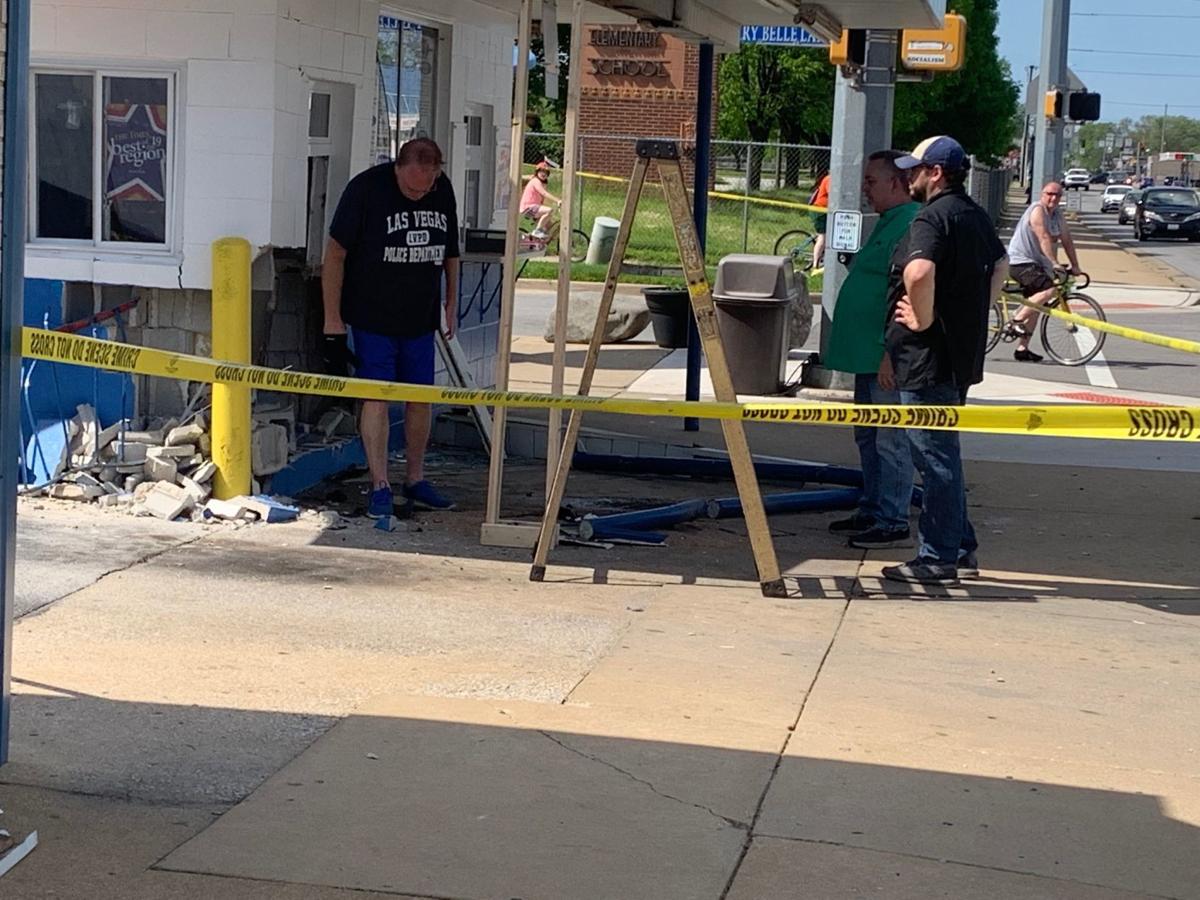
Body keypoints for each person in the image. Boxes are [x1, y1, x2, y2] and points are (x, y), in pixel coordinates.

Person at [884, 136, 1008, 586]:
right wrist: (973, 313)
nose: (907, 176)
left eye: (914, 169)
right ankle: (959, 545)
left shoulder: (932, 218)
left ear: (935, 173)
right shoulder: (973, 215)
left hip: (927, 361)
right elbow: (1001, 266)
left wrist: (921, 316)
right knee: (943, 455)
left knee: (934, 460)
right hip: (958, 358)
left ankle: (938, 557)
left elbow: (918, 271)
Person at [321, 137, 460, 518]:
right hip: (372, 315)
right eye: (411, 187)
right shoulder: (365, 189)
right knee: (377, 396)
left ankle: (415, 477)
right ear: (397, 167)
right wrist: (331, 318)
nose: (418, 195)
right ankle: (380, 482)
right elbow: (334, 254)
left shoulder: (442, 189)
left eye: (426, 187)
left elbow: (451, 251)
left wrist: (451, 302)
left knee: (420, 398)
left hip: (420, 315)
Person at [824, 150, 920, 549]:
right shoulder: (888, 222)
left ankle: (892, 517)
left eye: (871, 181)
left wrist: (888, 351)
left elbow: (906, 294)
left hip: (884, 357)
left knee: (890, 439)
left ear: (896, 184)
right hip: (865, 355)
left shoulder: (911, 224)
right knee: (868, 435)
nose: (865, 189)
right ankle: (873, 505)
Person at [1005, 181, 1081, 361]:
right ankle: (1016, 319)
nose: (1053, 198)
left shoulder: (1057, 215)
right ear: (1042, 194)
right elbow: (1044, 238)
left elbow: (1067, 239)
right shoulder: (1037, 211)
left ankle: (1022, 349)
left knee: (1037, 306)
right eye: (1049, 194)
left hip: (1037, 264)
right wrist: (1054, 263)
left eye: (1057, 195)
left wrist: (1075, 265)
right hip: (1020, 262)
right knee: (1048, 290)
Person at [520, 160, 561, 239]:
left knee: (549, 225)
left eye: (546, 172)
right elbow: (544, 193)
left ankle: (536, 241)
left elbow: (542, 199)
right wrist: (558, 200)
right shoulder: (535, 181)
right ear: (537, 172)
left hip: (533, 207)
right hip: (528, 207)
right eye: (541, 171)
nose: (543, 174)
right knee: (549, 210)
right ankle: (537, 231)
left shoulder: (542, 183)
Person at [809, 171, 831, 268]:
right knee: (823, 237)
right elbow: (833, 195)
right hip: (820, 211)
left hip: (825, 211)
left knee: (825, 236)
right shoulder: (830, 179)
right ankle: (815, 265)